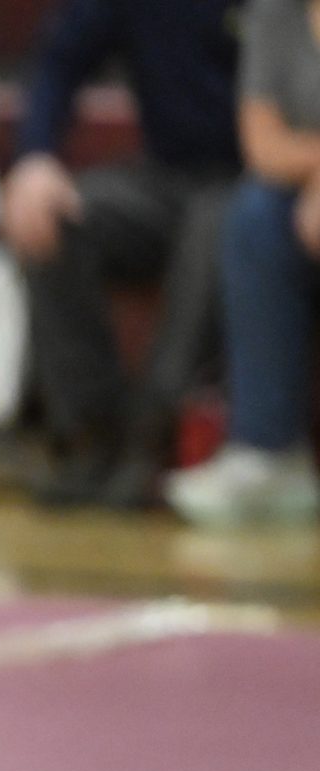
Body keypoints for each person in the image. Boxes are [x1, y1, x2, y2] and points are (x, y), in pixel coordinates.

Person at [1, 0, 244, 510]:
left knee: (215, 228)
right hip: (166, 176)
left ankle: (150, 438)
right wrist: (35, 157)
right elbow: (60, 59)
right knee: (59, 218)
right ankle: (90, 431)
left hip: (255, 182)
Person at [165, 0, 320, 527]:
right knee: (252, 218)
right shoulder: (275, 14)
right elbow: (263, 146)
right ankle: (268, 451)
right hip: (302, 199)